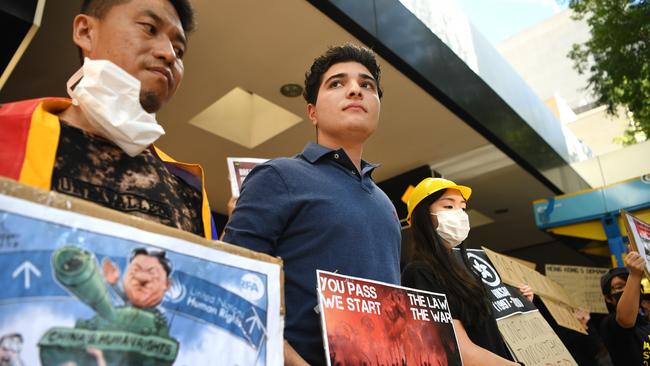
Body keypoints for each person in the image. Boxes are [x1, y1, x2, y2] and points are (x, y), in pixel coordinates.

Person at [222, 44, 401, 365]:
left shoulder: (386, 204)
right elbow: (233, 287)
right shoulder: (277, 176)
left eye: (367, 85)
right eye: (337, 83)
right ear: (312, 112)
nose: (355, 91)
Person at [0, 0, 216, 239]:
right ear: (85, 32)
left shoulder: (189, 189)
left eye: (179, 50)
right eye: (149, 28)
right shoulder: (7, 133)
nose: (169, 55)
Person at [401, 177, 521, 365]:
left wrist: (518, 299)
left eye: (462, 208)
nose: (459, 214)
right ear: (423, 217)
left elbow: (485, 327)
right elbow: (456, 348)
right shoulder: (419, 273)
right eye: (448, 207)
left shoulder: (465, 270)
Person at [599, 253, 650, 366]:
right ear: (608, 298)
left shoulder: (645, 323)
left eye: (630, 285)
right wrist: (635, 275)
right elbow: (626, 320)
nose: (627, 290)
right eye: (619, 287)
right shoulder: (610, 324)